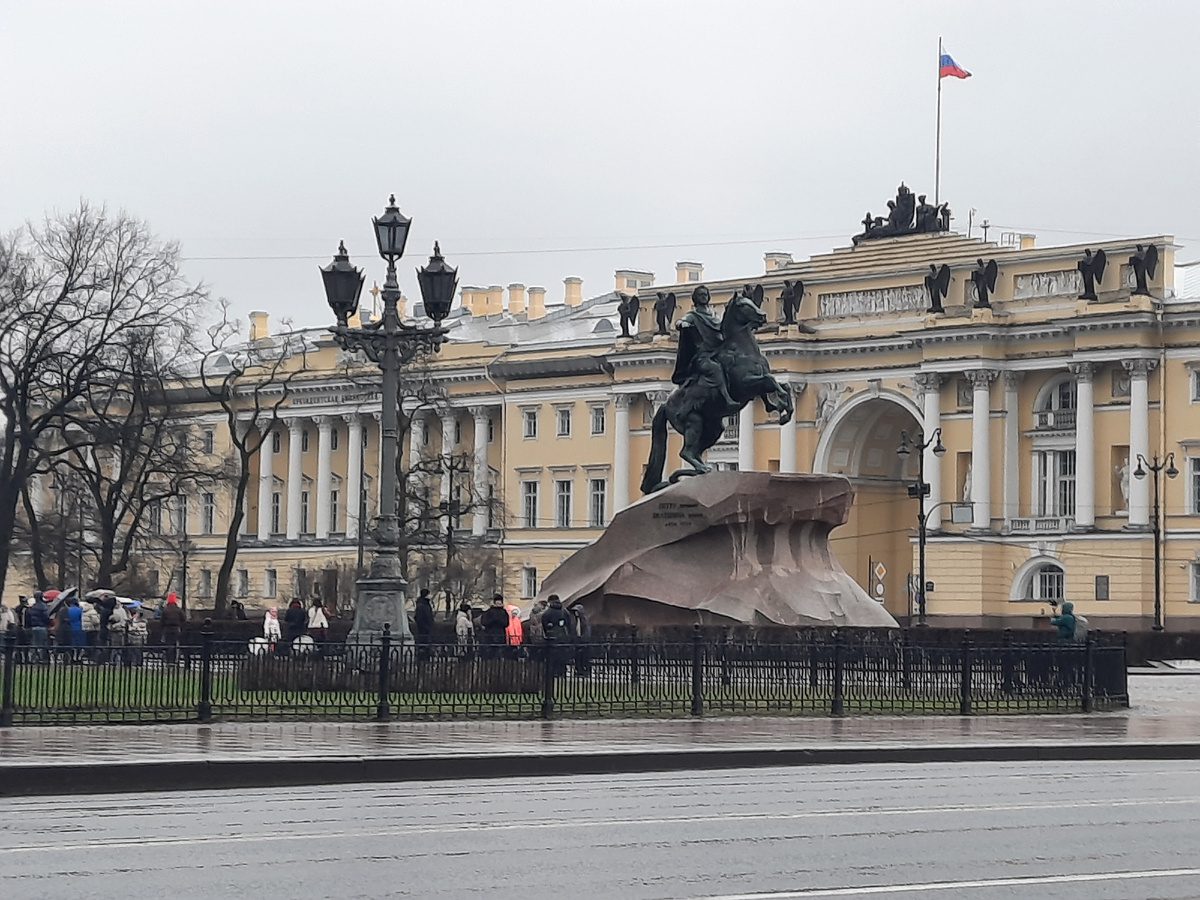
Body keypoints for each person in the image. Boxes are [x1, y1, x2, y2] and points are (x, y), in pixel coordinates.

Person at [540, 594, 574, 676]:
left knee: (552, 656)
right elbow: (569, 624)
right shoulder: (565, 611)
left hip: (552, 637)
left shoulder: (548, 612)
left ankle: (553, 672)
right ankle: (562, 671)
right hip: (563, 637)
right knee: (562, 655)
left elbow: (544, 624)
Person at [479, 594, 509, 660]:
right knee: (494, 653)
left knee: (494, 653)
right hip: (494, 635)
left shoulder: (503, 612)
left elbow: (506, 623)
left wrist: (495, 621)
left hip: (495, 635)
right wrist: (496, 621)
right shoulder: (490, 612)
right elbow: (484, 622)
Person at [160, 592, 185, 664]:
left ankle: (168, 660)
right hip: (176, 629)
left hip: (167, 629)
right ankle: (174, 660)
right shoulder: (178, 610)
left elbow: (162, 621)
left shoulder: (165, 610)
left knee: (168, 644)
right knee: (175, 645)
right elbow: (184, 619)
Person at [27, 592, 51, 663]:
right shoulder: (43, 607)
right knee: (43, 643)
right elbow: (46, 617)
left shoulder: (33, 607)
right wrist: (48, 622)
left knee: (34, 643)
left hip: (34, 627)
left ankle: (33, 658)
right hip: (42, 627)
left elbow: (29, 617)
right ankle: (42, 658)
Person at [571, 603, 592, 677]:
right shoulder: (576, 620)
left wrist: (583, 639)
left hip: (583, 642)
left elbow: (587, 631)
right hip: (577, 641)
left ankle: (584, 670)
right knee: (578, 657)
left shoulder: (584, 620)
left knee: (584, 657)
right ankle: (578, 670)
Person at [413, 588, 435, 659]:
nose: (430, 595)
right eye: (429, 594)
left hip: (427, 629)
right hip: (423, 630)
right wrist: (426, 627)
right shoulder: (421, 605)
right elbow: (419, 618)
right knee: (423, 646)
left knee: (426, 646)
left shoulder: (426, 604)